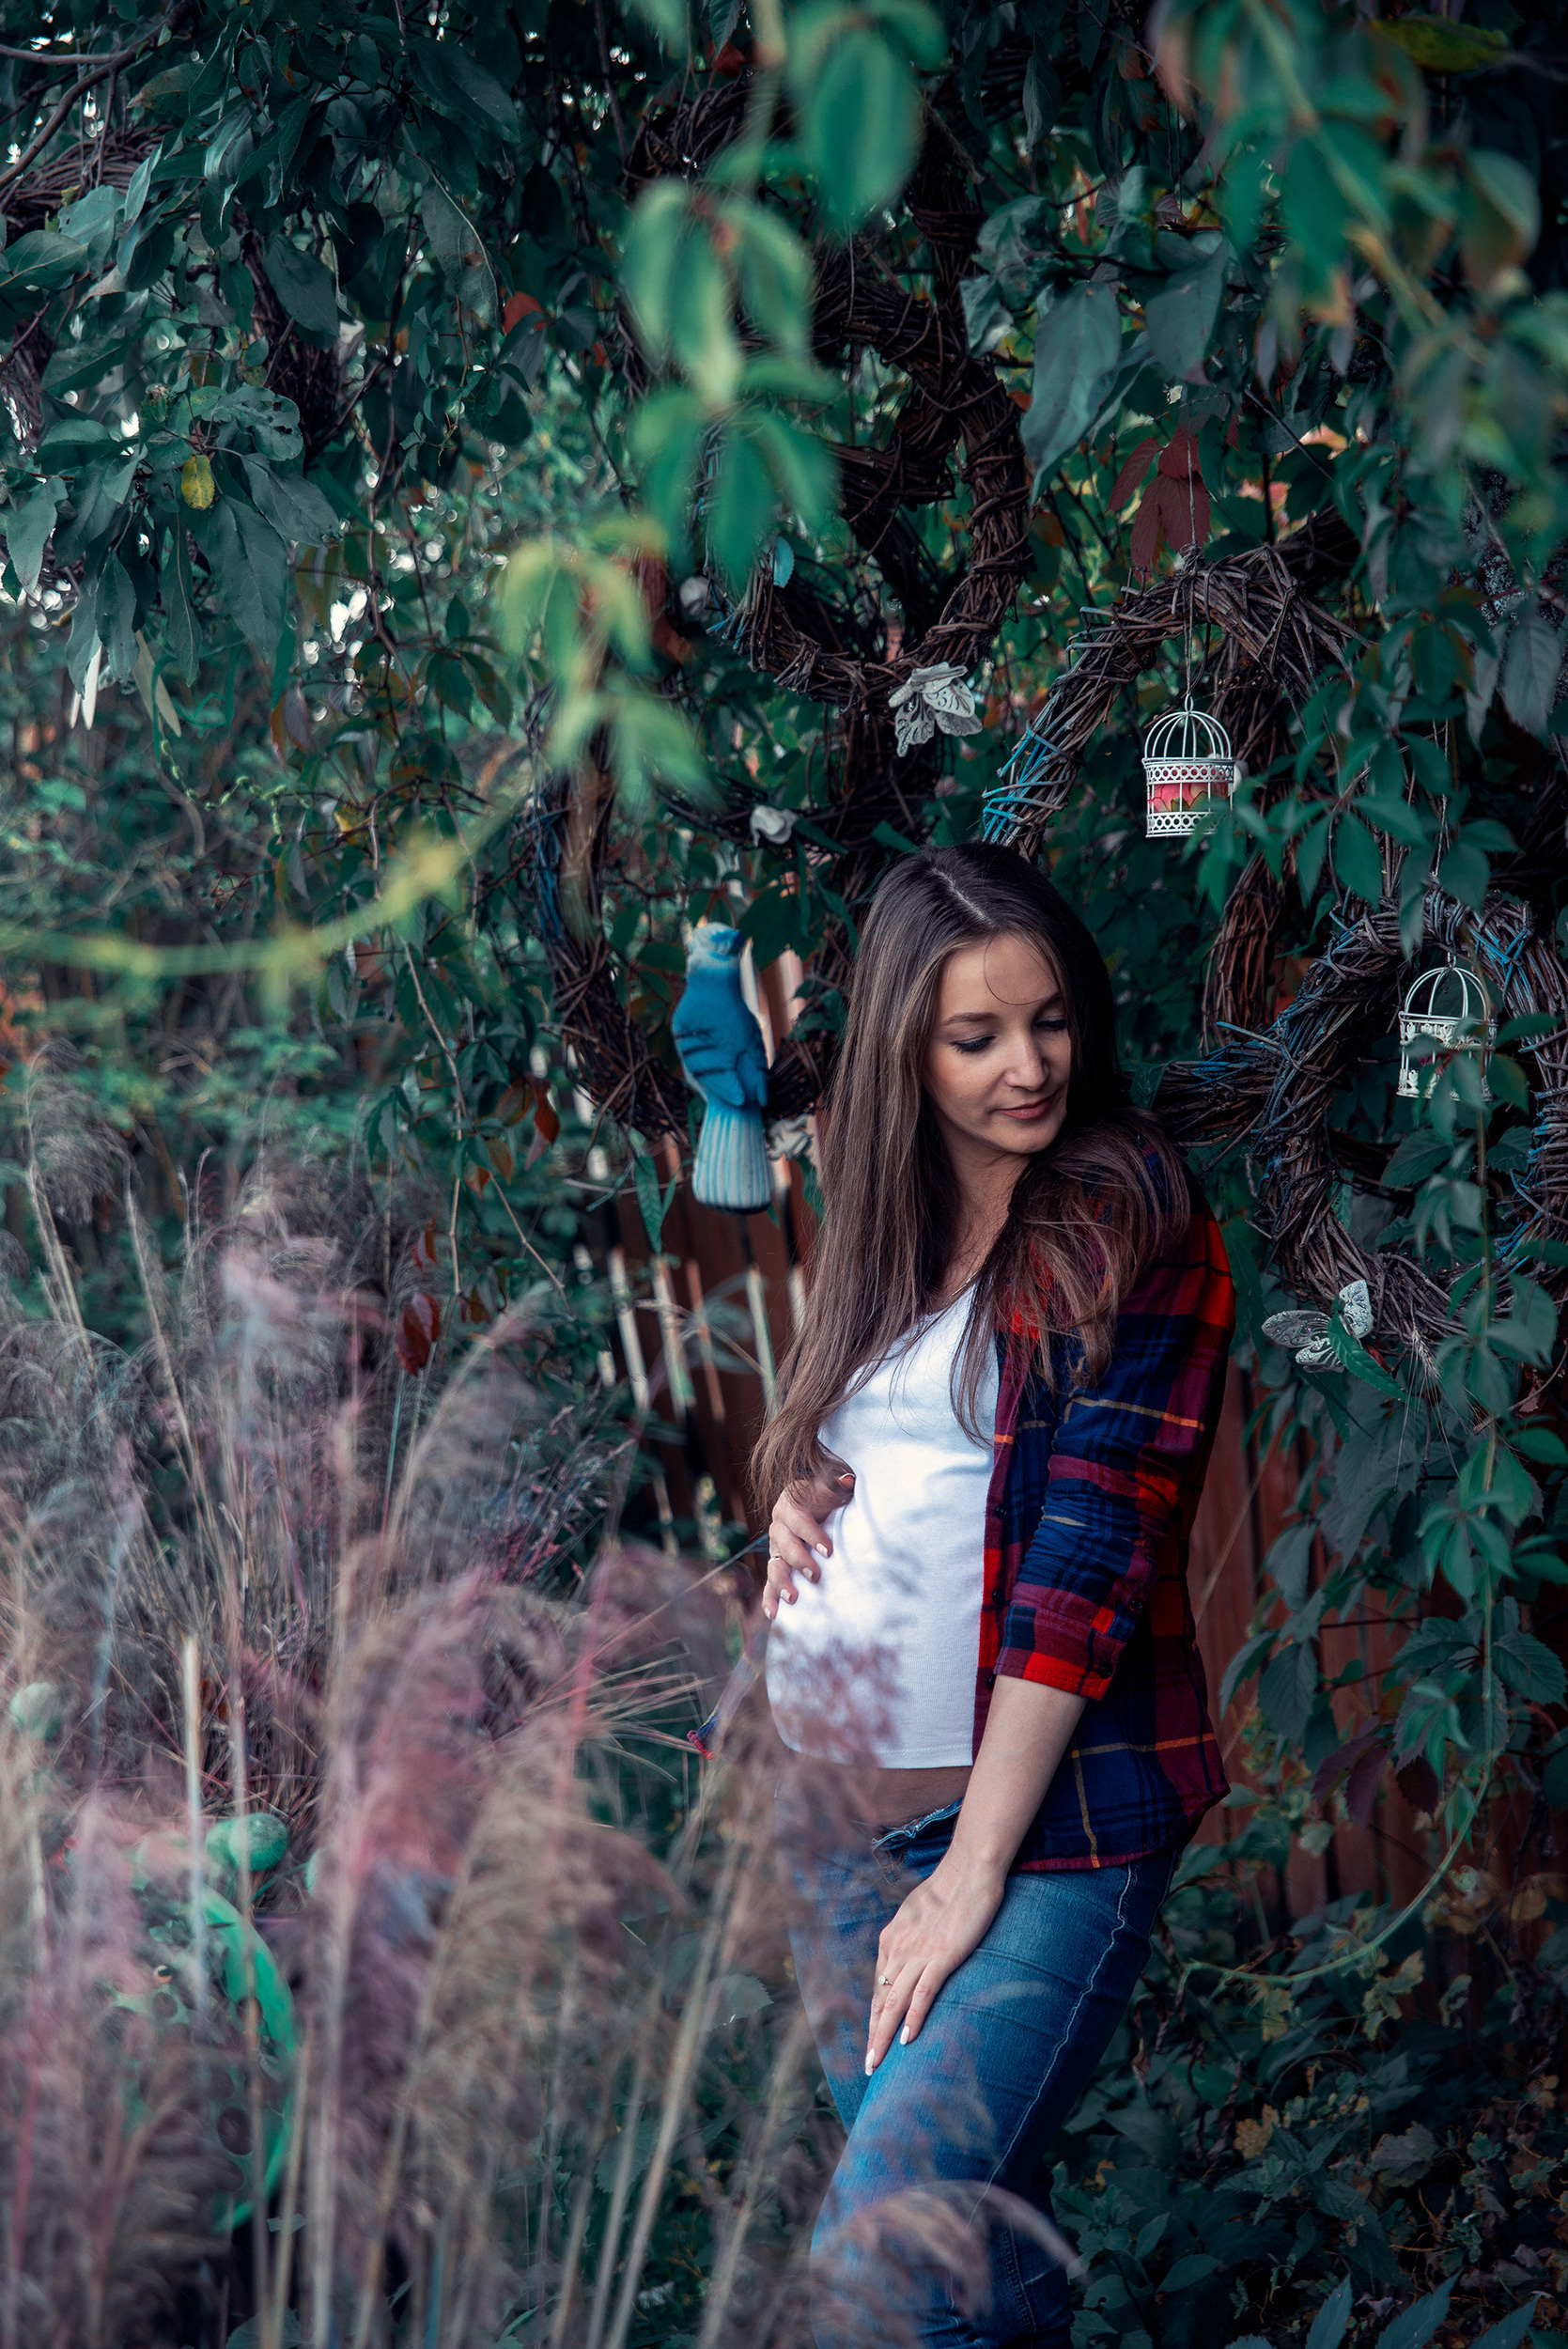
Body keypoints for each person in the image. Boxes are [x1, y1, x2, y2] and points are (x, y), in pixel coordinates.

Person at [753, 843, 1234, 2349]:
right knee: (971, 2264)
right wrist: (797, 1494)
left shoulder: (1125, 1213)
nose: (1027, 1067)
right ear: (905, 1044)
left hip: (1041, 1839)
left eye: (1047, 1023)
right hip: (830, 1834)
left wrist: (967, 1876)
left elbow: (1089, 1561)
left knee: (884, 2251)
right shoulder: (885, 1216)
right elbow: (884, 1442)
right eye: (974, 1039)